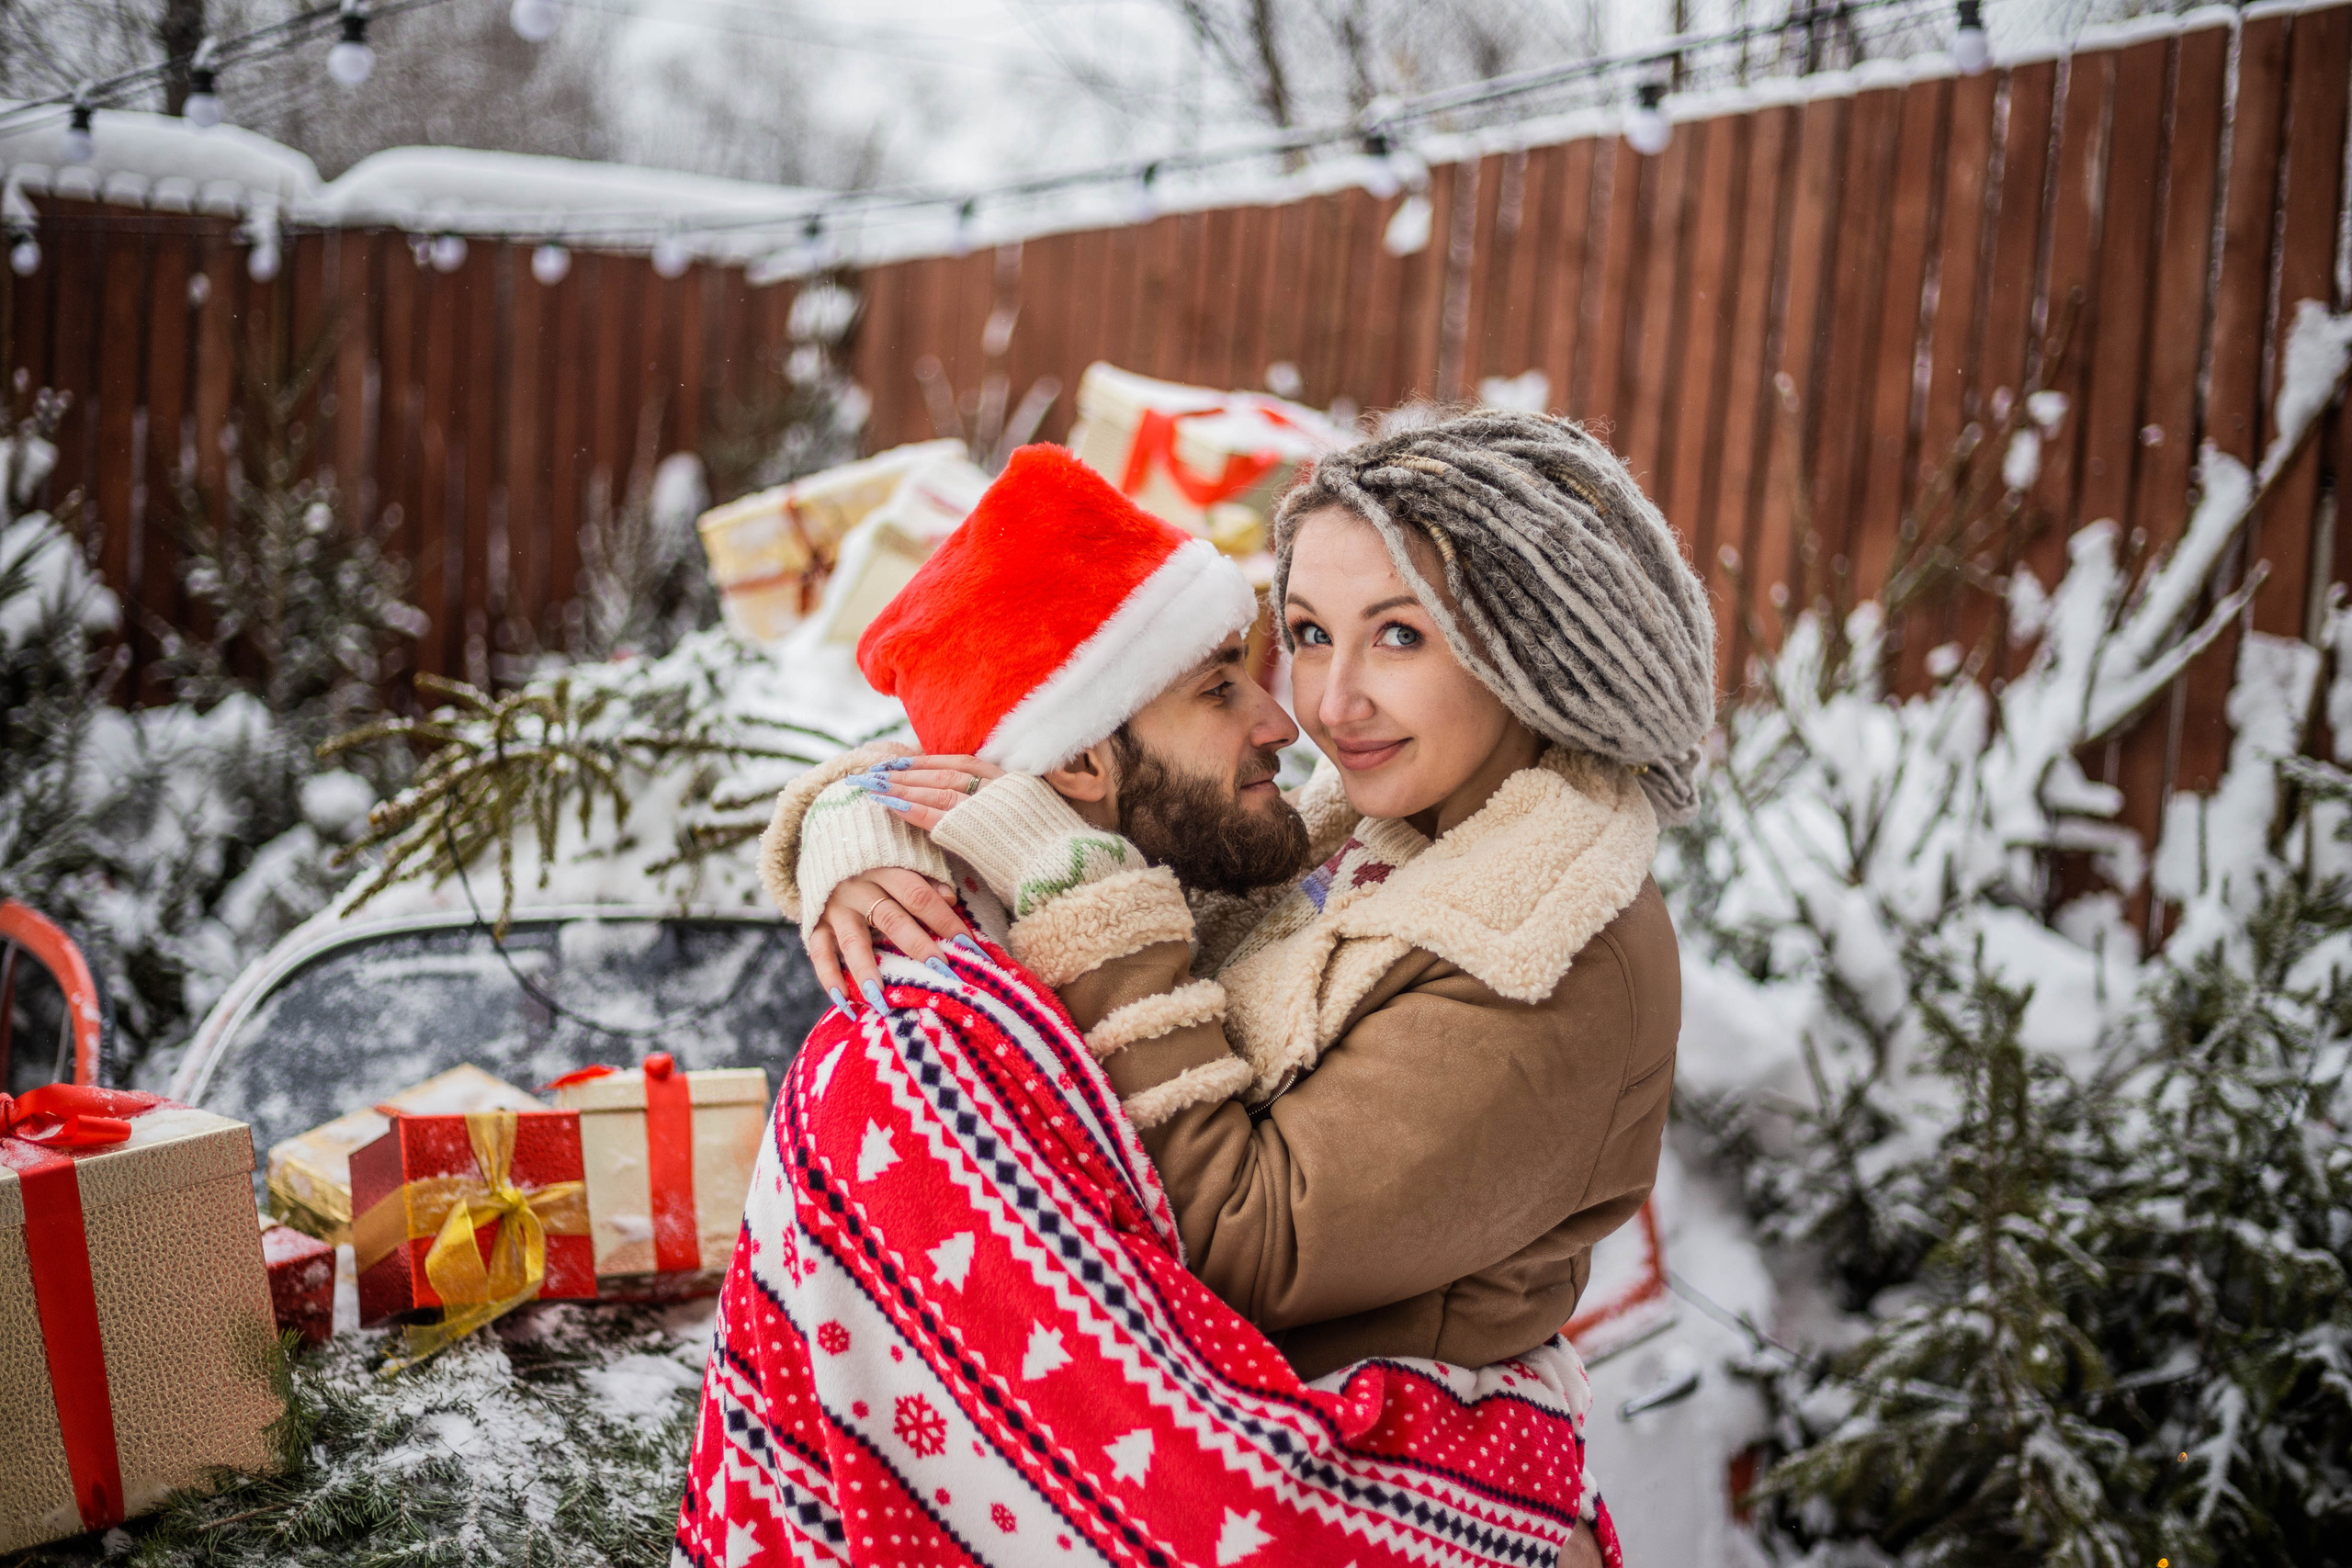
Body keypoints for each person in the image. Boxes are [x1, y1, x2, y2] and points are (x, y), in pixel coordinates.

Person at [745, 413, 1715, 1564]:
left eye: (1398, 635)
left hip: (1362, 1493)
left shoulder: (1544, 933)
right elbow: (1111, 782)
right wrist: (871, 821)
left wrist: (1084, 906)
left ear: (1530, 645)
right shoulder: (1377, 826)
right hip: (1220, 1454)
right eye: (1306, 633)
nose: (1325, 703)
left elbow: (1245, 1246)